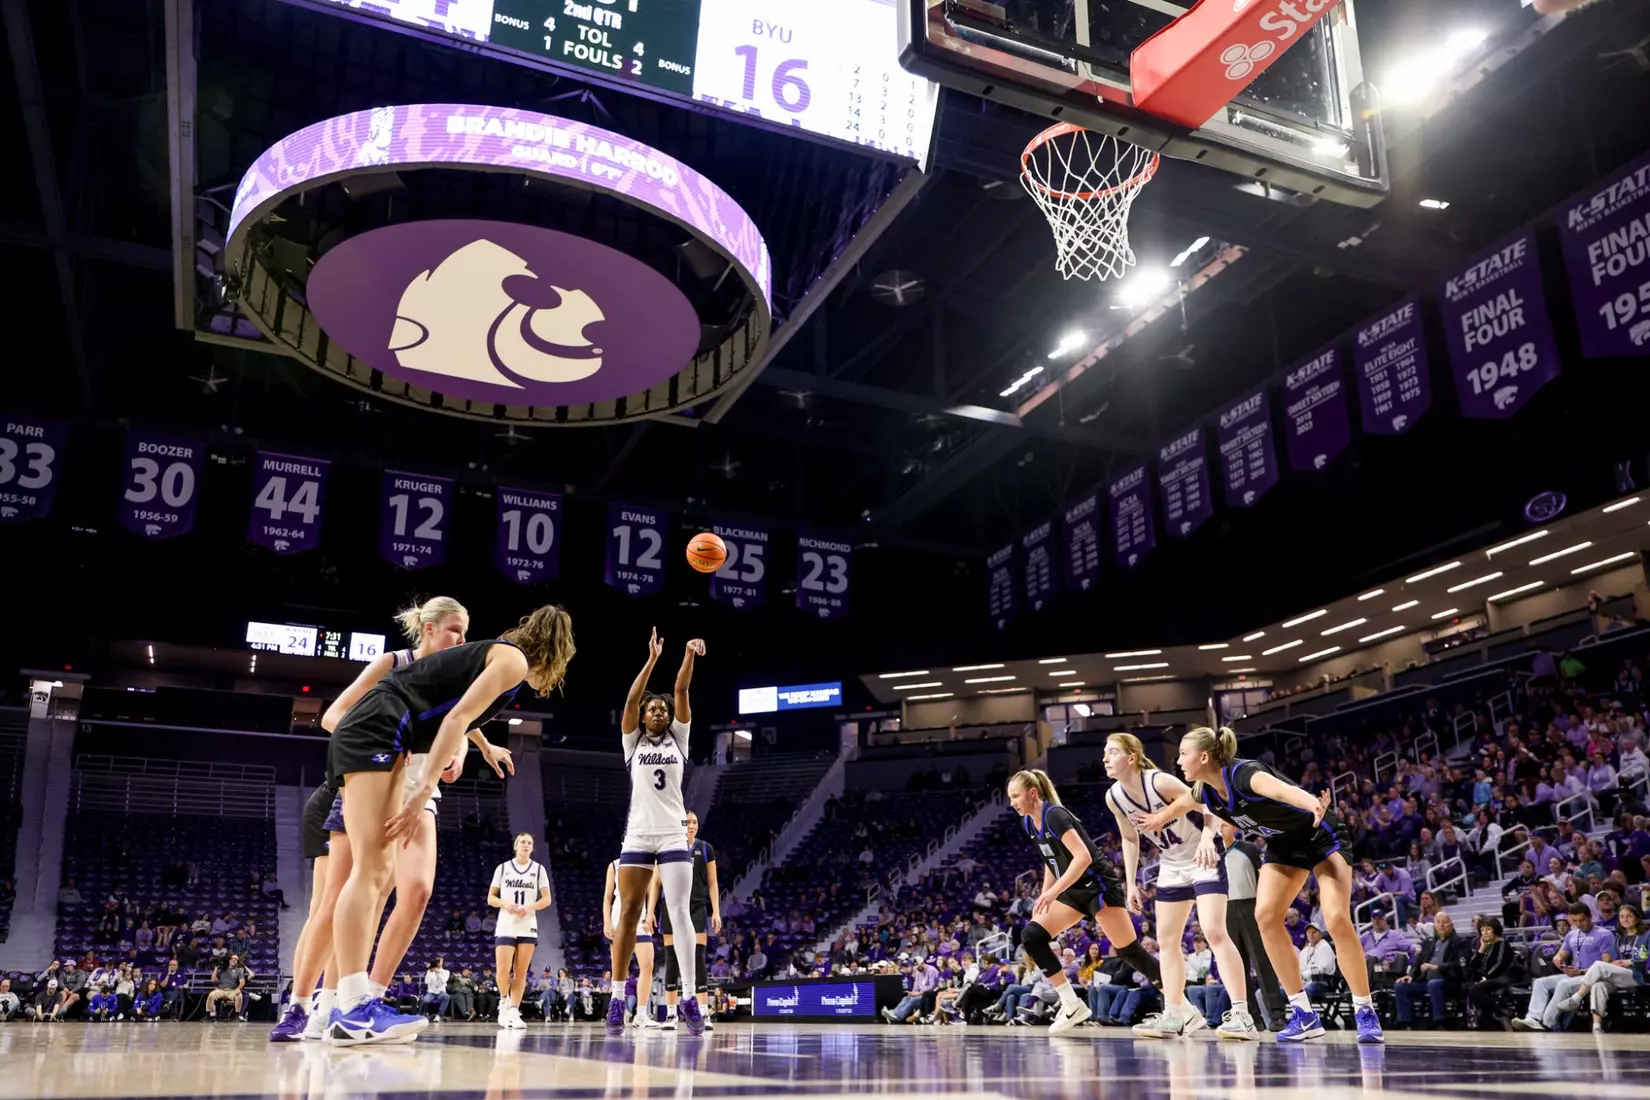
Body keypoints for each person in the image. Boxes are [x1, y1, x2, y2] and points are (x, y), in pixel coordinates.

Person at [325, 605, 574, 1045]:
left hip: (390, 729)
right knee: (371, 871)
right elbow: (456, 718)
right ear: (554, 654)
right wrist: (421, 793)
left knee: (377, 872)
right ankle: (348, 1008)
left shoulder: (500, 658)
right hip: (380, 725)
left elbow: (451, 709)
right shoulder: (513, 662)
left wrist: (484, 746)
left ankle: (354, 1005)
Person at [272, 597, 513, 1043]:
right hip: (372, 781)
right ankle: (303, 1008)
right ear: (429, 629)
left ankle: (364, 999)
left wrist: (475, 746)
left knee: (414, 892)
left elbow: (455, 718)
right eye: (455, 631)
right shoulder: (395, 662)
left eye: (466, 632)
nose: (463, 640)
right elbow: (334, 717)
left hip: (418, 797)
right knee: (338, 900)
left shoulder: (454, 674)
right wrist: (388, 738)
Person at [1137, 726, 1383, 1043]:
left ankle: (1365, 1009)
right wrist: (1159, 819)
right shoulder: (1205, 790)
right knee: (1265, 917)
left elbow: (1281, 790)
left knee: (1335, 918)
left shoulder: (1245, 774)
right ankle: (1304, 1014)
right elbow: (1185, 801)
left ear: (1204, 756)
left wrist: (1312, 804)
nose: (1179, 760)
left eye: (1184, 753)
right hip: (1283, 847)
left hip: (1322, 837)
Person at [1103, 733, 1257, 1040]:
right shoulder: (1114, 796)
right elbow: (1130, 839)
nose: (1105, 758)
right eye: (1104, 753)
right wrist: (1131, 883)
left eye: (1112, 752)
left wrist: (1205, 840)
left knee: (1214, 931)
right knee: (1166, 941)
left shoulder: (1159, 782)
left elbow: (1209, 804)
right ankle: (1175, 1013)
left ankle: (1242, 1015)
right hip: (1171, 864)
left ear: (1132, 757)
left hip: (1203, 857)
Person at [607, 628, 708, 1036]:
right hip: (638, 833)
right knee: (629, 912)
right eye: (653, 710)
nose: (658, 713)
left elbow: (681, 689)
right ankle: (616, 997)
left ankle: (687, 997)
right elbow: (632, 699)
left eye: (662, 710)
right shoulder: (632, 742)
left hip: (671, 833)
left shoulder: (679, 740)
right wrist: (650, 660)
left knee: (678, 911)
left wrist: (687, 654)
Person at [1008, 768, 1159, 1035]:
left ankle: (1182, 1005)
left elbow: (1082, 857)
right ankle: (1071, 1003)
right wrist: (1044, 896)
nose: (1013, 803)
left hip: (1097, 884)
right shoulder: (1029, 823)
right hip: (1073, 889)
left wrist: (1053, 893)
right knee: (1032, 935)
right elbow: (1050, 859)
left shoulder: (1054, 814)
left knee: (1130, 952)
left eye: (1015, 796)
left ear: (1032, 793)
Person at [653, 809, 720, 1031]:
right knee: (672, 959)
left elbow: (712, 883)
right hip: (670, 906)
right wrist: (649, 911)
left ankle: (703, 1013)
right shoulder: (667, 847)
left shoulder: (705, 848)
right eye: (687, 821)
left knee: (698, 958)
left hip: (697, 907)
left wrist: (716, 912)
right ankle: (672, 1015)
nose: (691, 825)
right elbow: (655, 883)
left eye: (694, 821)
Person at [1220, 823, 1288, 1030]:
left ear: (1233, 827)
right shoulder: (1211, 854)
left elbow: (1263, 878)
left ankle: (1277, 1015)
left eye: (1223, 824)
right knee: (1237, 965)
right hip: (1226, 909)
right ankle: (1251, 1018)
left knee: (1262, 962)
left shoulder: (1248, 849)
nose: (1219, 829)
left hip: (1251, 905)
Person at [1512, 902, 1616, 1031]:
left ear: (1590, 917)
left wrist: (1581, 971)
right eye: (1575, 921)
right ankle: (1533, 1018)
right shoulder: (1572, 935)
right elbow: (1559, 956)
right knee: (1540, 982)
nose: (1579, 924)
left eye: (1582, 920)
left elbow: (1606, 964)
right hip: (1576, 974)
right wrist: (1562, 965)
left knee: (1564, 984)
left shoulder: (1604, 934)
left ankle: (1546, 1023)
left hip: (1594, 976)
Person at [1552, 903, 1649, 1032]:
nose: (1625, 920)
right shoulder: (1619, 938)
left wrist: (1628, 962)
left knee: (1598, 965)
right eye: (1622, 916)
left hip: (1636, 975)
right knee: (1598, 985)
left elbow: (1642, 958)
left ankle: (1576, 998)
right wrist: (1615, 963)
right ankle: (1597, 1027)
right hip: (1617, 975)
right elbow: (1612, 960)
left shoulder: (1645, 936)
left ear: (1637, 918)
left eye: (1629, 916)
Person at [489, 832, 552, 1030]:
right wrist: (504, 902)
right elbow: (490, 898)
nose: (526, 845)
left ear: (532, 848)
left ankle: (514, 1010)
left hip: (528, 923)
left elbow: (547, 899)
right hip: (507, 923)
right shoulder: (503, 868)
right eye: (523, 842)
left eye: (529, 843)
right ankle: (504, 1000)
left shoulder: (539, 869)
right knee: (502, 970)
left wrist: (529, 907)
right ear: (516, 846)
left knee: (520, 972)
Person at [605, 855, 660, 1028]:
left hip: (641, 916)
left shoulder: (648, 862)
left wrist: (651, 912)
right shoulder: (614, 865)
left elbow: (652, 891)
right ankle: (617, 1010)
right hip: (619, 916)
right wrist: (606, 921)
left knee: (648, 965)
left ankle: (641, 1015)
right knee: (619, 968)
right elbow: (607, 896)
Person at [1392, 912, 1469, 1029]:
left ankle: (1440, 1022)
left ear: (1451, 925)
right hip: (1426, 981)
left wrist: (1438, 967)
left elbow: (1460, 963)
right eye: (1438, 922)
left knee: (1434, 984)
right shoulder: (1428, 942)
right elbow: (1417, 963)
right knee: (1401, 986)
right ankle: (1405, 1022)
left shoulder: (1460, 942)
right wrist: (1410, 976)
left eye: (1445, 922)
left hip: (1450, 981)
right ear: (1434, 925)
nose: (1441, 925)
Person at [205, 955, 248, 1020]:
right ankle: (208, 1016)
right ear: (229, 960)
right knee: (211, 995)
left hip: (232, 990)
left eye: (236, 959)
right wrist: (216, 968)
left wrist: (238, 989)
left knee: (239, 996)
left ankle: (237, 1016)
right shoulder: (222, 969)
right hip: (220, 990)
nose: (234, 960)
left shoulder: (238, 970)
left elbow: (242, 982)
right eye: (232, 958)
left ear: (237, 962)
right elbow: (213, 980)